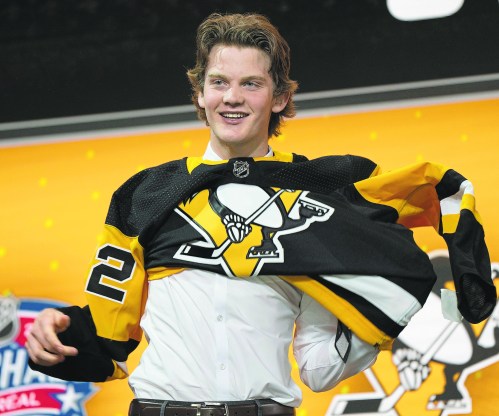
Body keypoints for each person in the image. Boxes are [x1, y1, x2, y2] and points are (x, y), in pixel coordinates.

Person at [26, 12, 495, 416]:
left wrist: (384, 313)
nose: (233, 97)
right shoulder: (144, 194)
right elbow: (112, 340)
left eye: (251, 83)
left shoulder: (326, 196)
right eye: (219, 82)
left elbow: (318, 368)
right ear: (200, 94)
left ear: (280, 98)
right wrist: (60, 332)